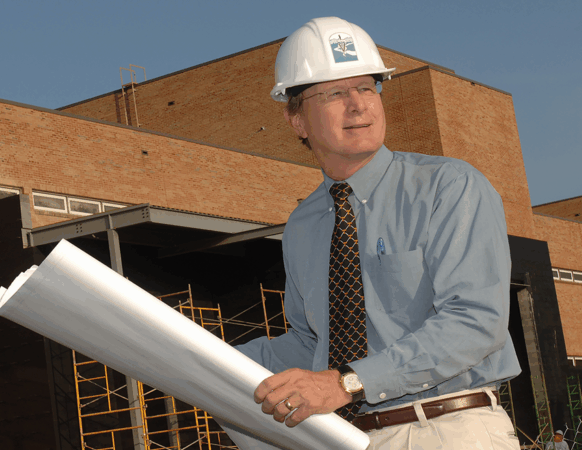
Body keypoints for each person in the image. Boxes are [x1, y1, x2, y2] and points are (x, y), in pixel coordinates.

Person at [219, 17, 522, 449]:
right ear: (297, 119)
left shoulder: (449, 186)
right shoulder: (303, 226)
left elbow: (475, 321)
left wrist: (348, 383)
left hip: (448, 429)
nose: (359, 104)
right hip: (345, 438)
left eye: (367, 87)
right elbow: (313, 345)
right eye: (335, 93)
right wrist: (193, 356)